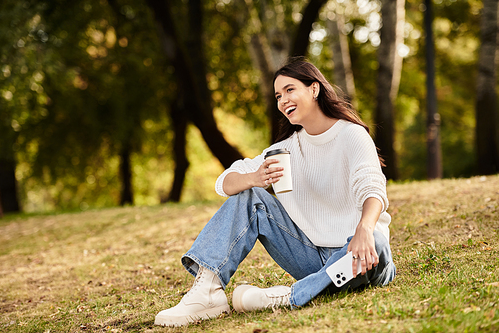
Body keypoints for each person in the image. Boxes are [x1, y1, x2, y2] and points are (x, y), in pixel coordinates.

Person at [154, 60, 396, 327]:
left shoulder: (352, 135)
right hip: (310, 257)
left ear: (314, 89)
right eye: (278, 95)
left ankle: (289, 296)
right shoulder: (284, 150)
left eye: (290, 90)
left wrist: (365, 227)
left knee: (377, 241)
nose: (283, 100)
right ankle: (207, 292)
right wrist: (254, 178)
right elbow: (224, 183)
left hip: (361, 254)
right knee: (251, 197)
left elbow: (372, 186)